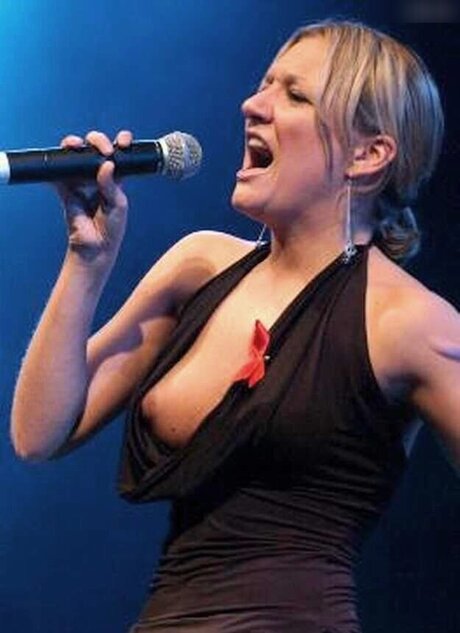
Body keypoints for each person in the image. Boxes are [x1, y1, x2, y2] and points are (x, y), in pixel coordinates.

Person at [10, 19, 458, 633]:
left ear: (368, 154)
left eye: (294, 95)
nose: (253, 104)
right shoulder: (199, 266)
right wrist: (87, 260)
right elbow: (39, 434)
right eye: (264, 84)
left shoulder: (404, 321)